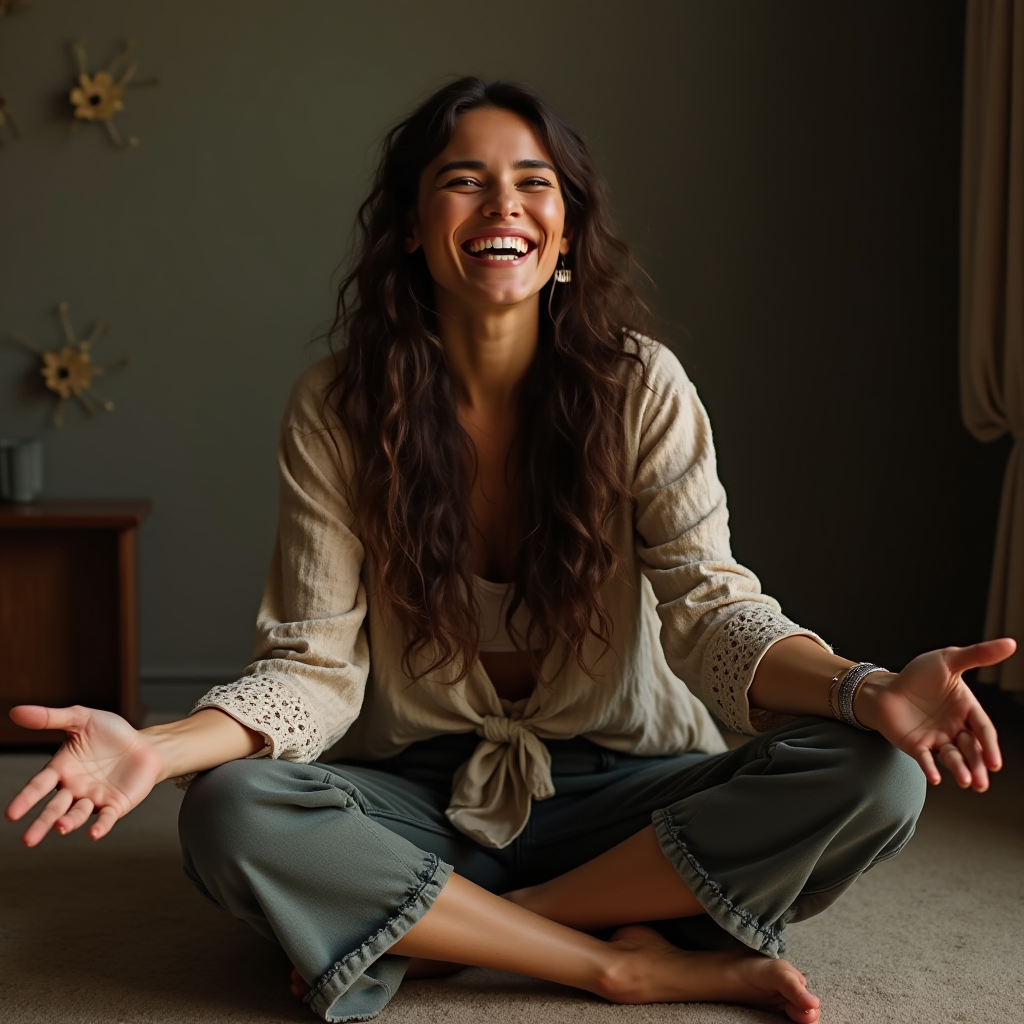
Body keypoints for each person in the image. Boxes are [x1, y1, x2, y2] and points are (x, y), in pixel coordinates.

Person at [5, 78, 1015, 1024]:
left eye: (533, 182)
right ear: (411, 226)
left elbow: (711, 615)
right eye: (463, 181)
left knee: (878, 772)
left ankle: (444, 927)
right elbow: (311, 673)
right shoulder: (337, 407)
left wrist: (861, 687)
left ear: (566, 226)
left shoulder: (639, 386)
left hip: (623, 789)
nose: (504, 204)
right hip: (417, 796)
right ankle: (612, 958)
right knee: (229, 811)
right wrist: (160, 745)